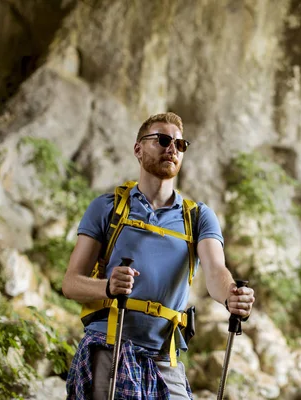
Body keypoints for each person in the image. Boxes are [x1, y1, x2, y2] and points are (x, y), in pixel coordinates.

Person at [62, 112, 255, 399]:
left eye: (180, 144)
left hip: (166, 356)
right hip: (109, 346)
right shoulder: (108, 208)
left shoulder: (198, 217)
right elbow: (70, 283)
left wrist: (231, 294)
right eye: (163, 140)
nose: (172, 148)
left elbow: (216, 270)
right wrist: (107, 286)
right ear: (138, 149)